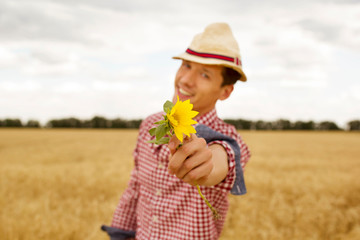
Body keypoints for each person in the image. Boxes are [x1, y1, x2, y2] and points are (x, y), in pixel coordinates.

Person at [102, 22, 251, 240]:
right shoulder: (150, 125)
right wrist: (121, 234)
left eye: (205, 75)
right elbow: (135, 187)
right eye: (186, 66)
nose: (185, 79)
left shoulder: (228, 139)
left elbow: (223, 157)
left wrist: (205, 165)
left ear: (225, 91)